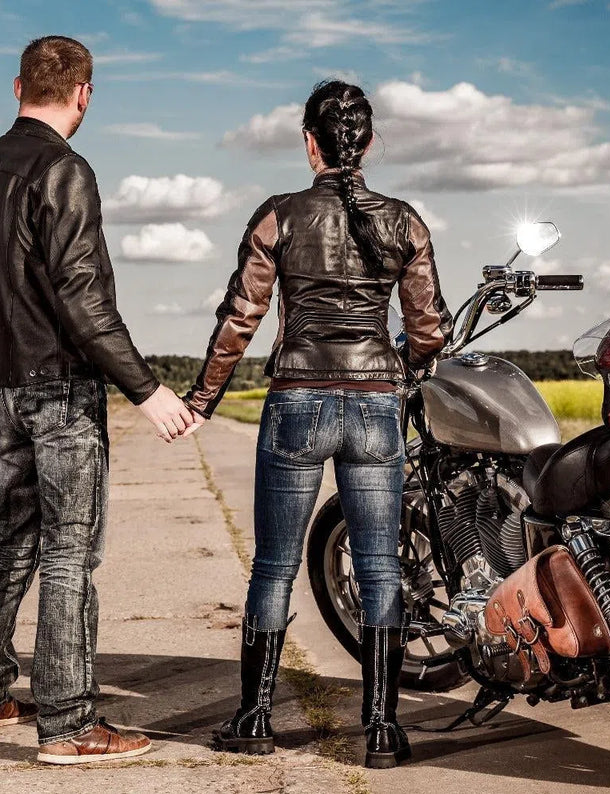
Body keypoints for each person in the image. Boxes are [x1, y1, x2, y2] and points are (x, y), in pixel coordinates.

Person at [183, 81, 452, 770]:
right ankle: (383, 729)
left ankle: (254, 718)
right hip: (375, 404)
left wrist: (203, 400)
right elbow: (429, 329)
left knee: (273, 567)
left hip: (296, 401)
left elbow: (241, 317)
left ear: (311, 143)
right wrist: (397, 369)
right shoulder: (405, 222)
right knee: (380, 568)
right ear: (367, 143)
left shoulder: (279, 216)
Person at [0, 35, 197, 765]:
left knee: (10, 538)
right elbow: (83, 299)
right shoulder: (65, 170)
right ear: (84, 94)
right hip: (57, 386)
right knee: (68, 551)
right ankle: (69, 723)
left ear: (18, 86)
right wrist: (146, 389)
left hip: (1, 385)